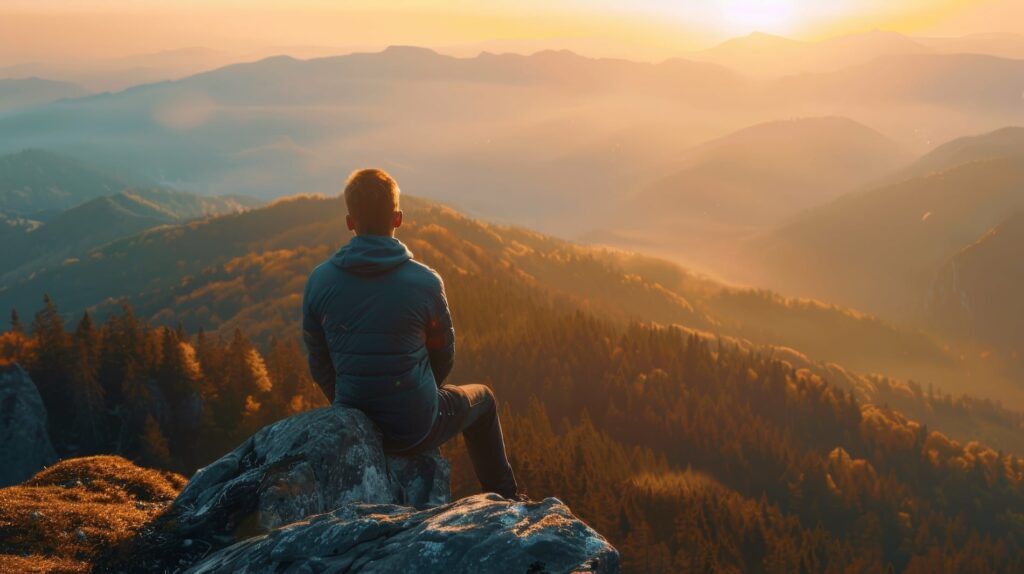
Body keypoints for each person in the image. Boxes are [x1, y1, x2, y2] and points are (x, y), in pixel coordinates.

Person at [302, 168, 522, 500]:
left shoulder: (319, 281)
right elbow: (444, 353)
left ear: (350, 222)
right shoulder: (425, 283)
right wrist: (419, 395)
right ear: (398, 218)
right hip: (415, 427)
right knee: (485, 400)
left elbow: (318, 361)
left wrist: (350, 404)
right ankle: (506, 500)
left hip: (354, 421)